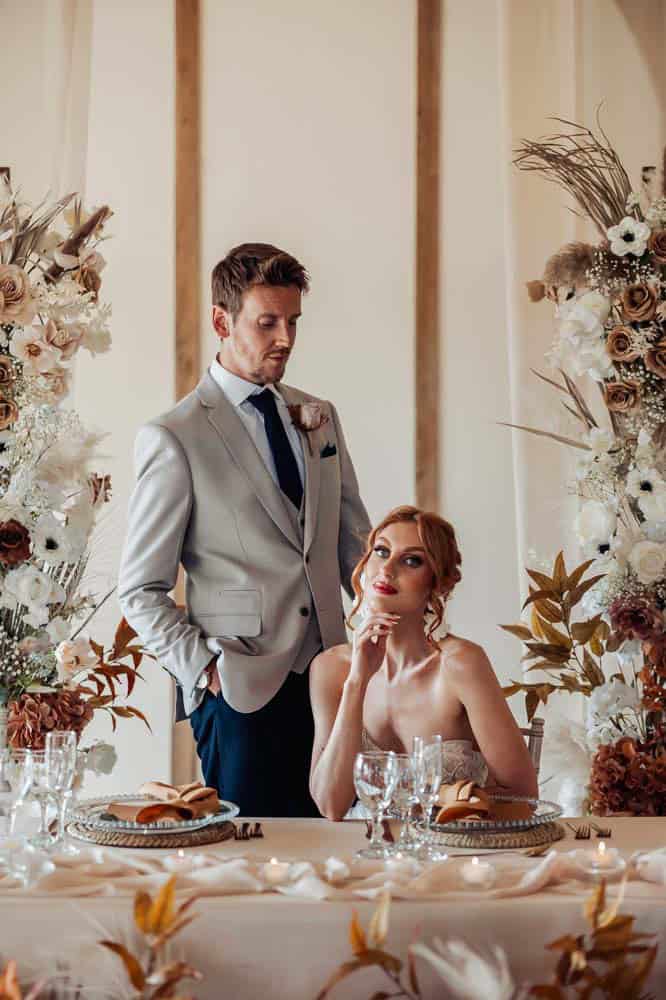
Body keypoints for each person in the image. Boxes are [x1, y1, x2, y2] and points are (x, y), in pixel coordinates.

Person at [118, 243, 371, 816]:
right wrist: (204, 670)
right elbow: (139, 589)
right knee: (252, 861)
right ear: (221, 321)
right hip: (238, 691)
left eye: (293, 322)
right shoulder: (174, 436)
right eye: (267, 322)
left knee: (334, 854)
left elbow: (355, 547)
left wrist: (400, 631)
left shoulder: (319, 415)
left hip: (330, 680)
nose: (285, 338)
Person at [309, 505, 538, 820]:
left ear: (437, 583)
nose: (387, 570)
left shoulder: (460, 664)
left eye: (411, 560)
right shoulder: (330, 668)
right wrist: (357, 681)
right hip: (367, 850)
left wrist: (439, 805)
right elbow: (330, 806)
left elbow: (524, 798)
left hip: (455, 853)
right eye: (381, 551)